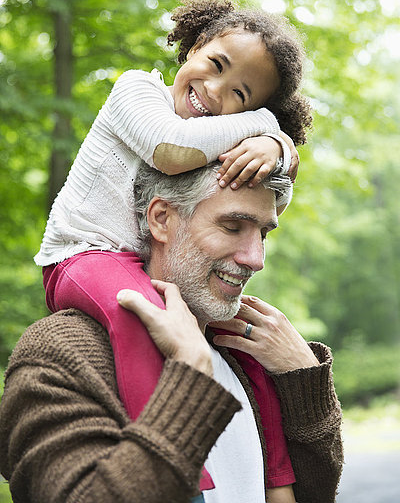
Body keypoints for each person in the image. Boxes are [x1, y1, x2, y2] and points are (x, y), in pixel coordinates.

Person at [32, 0, 312, 476]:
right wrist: (264, 123)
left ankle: (278, 477)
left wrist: (279, 150)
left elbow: (274, 196)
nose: (216, 90)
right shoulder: (138, 92)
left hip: (141, 266)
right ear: (194, 45)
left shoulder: (219, 140)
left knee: (247, 348)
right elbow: (170, 148)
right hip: (83, 255)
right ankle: (186, 469)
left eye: (241, 94)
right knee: (138, 317)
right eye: (217, 63)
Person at [0, 160, 343, 503]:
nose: (256, 259)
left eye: (264, 234)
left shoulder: (245, 359)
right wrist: (189, 378)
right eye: (233, 226)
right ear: (161, 219)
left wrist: (305, 381)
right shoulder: (60, 351)